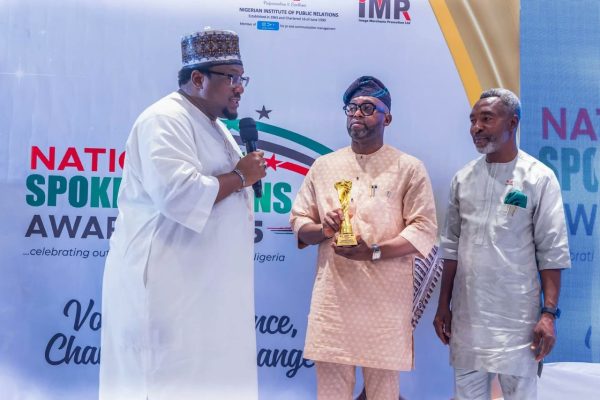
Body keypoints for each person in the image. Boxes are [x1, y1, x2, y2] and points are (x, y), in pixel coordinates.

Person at [99, 28, 265, 400]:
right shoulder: (164, 119)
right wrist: (241, 177)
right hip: (169, 287)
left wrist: (240, 178)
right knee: (167, 381)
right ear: (198, 79)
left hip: (206, 291)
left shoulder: (215, 125)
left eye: (242, 78)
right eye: (231, 78)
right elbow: (178, 195)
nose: (240, 88)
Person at [290, 76, 438, 400]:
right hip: (333, 303)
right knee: (331, 393)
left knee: (383, 393)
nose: (357, 113)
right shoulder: (324, 166)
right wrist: (324, 229)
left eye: (368, 108)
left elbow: (424, 229)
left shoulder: (408, 168)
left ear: (387, 118)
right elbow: (299, 222)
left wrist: (372, 251)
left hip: (384, 304)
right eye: (352, 107)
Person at [433, 88, 571, 400]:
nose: (476, 128)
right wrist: (444, 305)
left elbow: (551, 252)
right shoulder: (463, 179)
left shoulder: (538, 178)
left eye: (486, 119)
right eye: (473, 120)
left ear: (513, 123)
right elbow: (451, 247)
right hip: (468, 319)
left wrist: (548, 314)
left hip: (518, 321)